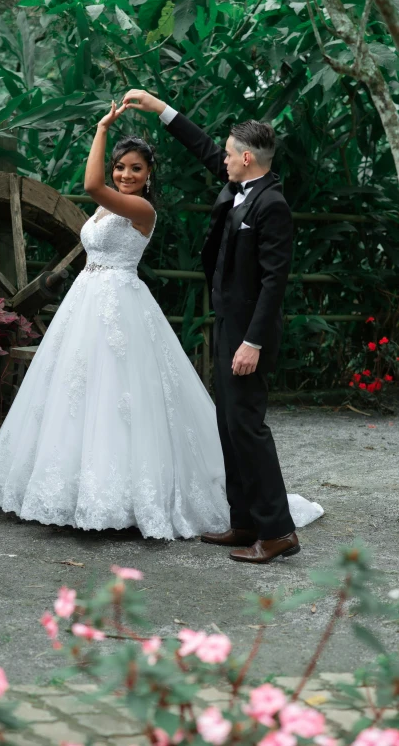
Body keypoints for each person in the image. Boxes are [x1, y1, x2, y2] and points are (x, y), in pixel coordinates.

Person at [0, 101, 233, 540]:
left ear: (149, 174)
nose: (125, 175)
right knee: (74, 394)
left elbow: (91, 183)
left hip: (120, 302)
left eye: (135, 169)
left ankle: (124, 498)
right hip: (86, 301)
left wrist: (101, 129)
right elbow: (99, 192)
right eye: (120, 167)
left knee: (118, 396)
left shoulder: (141, 211)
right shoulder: (108, 208)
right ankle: (66, 492)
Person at [122, 89, 323, 562]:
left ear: (248, 158)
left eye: (230, 154)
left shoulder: (271, 205)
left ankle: (278, 534)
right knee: (228, 425)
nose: (223, 159)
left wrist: (252, 341)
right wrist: (159, 108)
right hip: (227, 323)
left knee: (248, 428)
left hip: (250, 333)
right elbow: (203, 148)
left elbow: (275, 283)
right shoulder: (240, 186)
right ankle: (244, 522)